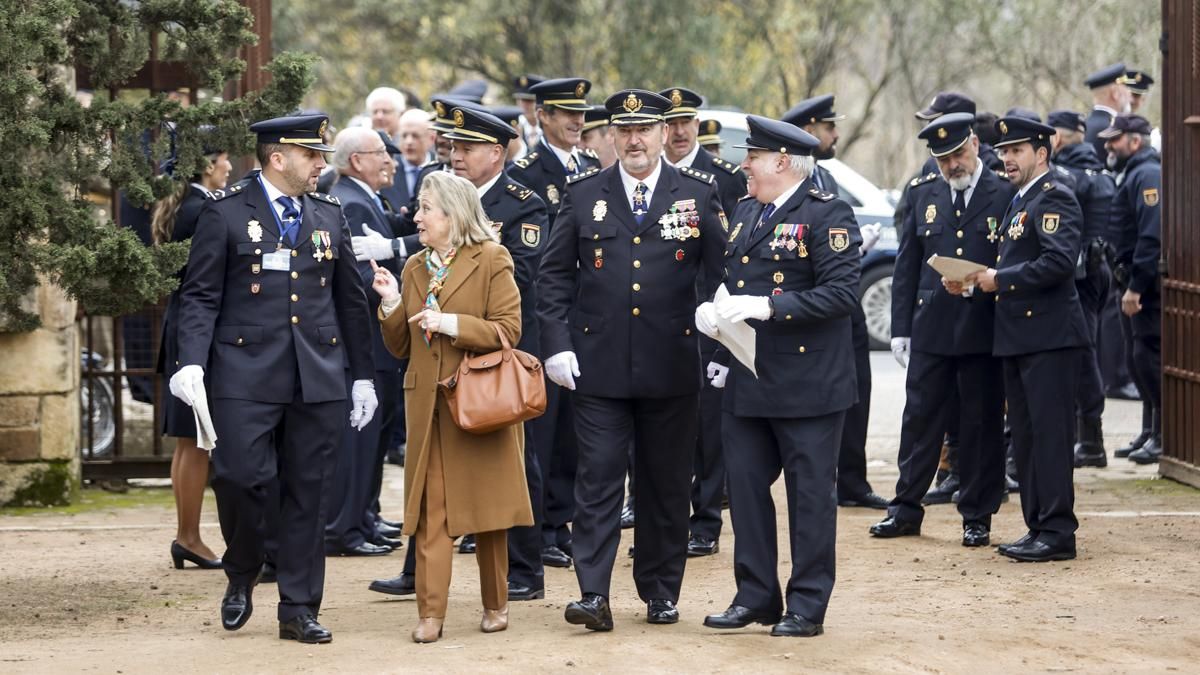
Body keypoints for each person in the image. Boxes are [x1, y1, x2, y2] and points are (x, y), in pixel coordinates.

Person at [170, 114, 378, 643]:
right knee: (240, 477)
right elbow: (200, 295)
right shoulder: (226, 212)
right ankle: (242, 569)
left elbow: (351, 301)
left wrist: (363, 376)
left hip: (318, 373)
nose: (320, 164)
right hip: (243, 373)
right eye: (311, 155)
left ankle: (298, 608)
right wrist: (191, 361)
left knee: (310, 491)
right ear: (278, 158)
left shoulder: (328, 213)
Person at [538, 89, 725, 632]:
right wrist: (557, 344)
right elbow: (553, 277)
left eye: (644, 130)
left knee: (666, 484)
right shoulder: (583, 194)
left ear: (665, 133)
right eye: (624, 131)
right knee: (597, 481)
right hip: (598, 366)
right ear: (612, 136)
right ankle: (593, 593)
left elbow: (722, 277)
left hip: (672, 366)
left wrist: (720, 348)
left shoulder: (696, 193)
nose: (634, 140)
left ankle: (660, 591)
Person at [697, 115, 860, 637]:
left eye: (753, 157)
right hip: (750, 376)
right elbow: (732, 281)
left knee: (809, 497)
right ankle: (755, 595)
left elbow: (841, 294)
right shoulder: (747, 210)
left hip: (809, 383)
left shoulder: (827, 213)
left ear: (783, 162)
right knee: (744, 489)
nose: (745, 166)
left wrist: (770, 306)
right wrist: (717, 327)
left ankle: (806, 604)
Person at [370, 170, 533, 643]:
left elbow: (508, 331)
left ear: (453, 214)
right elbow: (402, 346)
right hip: (430, 411)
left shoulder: (492, 257)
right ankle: (431, 614)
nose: (417, 217)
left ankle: (496, 603)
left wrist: (451, 324)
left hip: (481, 406)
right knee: (431, 513)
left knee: (489, 513)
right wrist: (391, 304)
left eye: (426, 209)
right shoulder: (413, 267)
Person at [869, 113, 1012, 546]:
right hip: (932, 326)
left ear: (975, 145)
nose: (952, 165)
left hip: (982, 327)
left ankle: (977, 514)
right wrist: (900, 329)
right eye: (943, 159)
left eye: (958, 154)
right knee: (920, 420)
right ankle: (905, 508)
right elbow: (907, 264)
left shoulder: (1003, 192)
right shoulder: (923, 192)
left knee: (980, 422)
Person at [957, 115, 1088, 562]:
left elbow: (1058, 263)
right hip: (1020, 336)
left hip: (1049, 337)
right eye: (1003, 152)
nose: (1007, 159)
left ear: (1041, 153)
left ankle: (1058, 530)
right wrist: (974, 283)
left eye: (1016, 151)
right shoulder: (1022, 199)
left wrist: (999, 279)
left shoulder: (1054, 196)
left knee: (1050, 437)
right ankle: (1039, 525)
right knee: (1028, 438)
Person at [783, 94, 888, 511]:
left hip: (845, 300)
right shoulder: (794, 181)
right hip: (813, 304)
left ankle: (853, 481)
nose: (836, 134)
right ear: (809, 131)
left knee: (857, 390)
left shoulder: (824, 176)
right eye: (829, 127)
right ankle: (824, 480)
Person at [512, 77, 599, 568]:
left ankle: (561, 520)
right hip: (543, 313)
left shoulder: (588, 167)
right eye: (567, 113)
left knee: (572, 428)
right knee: (543, 426)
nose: (577, 122)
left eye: (581, 113)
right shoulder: (526, 172)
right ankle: (540, 525)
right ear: (541, 116)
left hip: (586, 312)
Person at [322, 127, 405, 557]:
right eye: (380, 153)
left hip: (380, 342)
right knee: (359, 440)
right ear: (356, 160)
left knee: (375, 439)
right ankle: (344, 528)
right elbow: (360, 280)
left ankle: (365, 516)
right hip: (369, 339)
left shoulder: (366, 198)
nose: (389, 159)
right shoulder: (351, 203)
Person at [152, 136, 232, 571]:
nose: (228, 167)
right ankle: (188, 537)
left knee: (189, 440)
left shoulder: (185, 204)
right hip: (194, 330)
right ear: (207, 164)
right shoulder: (201, 208)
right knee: (197, 440)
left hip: (181, 324)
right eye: (223, 160)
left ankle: (188, 535)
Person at [1047, 110, 1117, 468]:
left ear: (1056, 139)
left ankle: (1090, 440)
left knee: (1081, 352)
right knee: (1084, 348)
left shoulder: (1067, 176)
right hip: (1098, 271)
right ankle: (1087, 436)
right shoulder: (1099, 173)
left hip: (1080, 275)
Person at [1103, 114, 1163, 464]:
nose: (1108, 145)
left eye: (1115, 139)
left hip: (1144, 289)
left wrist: (1137, 286)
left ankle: (1165, 433)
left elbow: (1151, 235)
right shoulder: (1133, 172)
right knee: (1135, 358)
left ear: (1135, 141)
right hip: (1127, 281)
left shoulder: (1148, 174)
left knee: (1146, 357)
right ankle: (1149, 430)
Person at [1083, 63, 1131, 164]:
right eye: (1126, 87)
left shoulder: (1082, 125)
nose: (1129, 94)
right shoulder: (1115, 129)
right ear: (1115, 93)